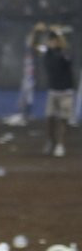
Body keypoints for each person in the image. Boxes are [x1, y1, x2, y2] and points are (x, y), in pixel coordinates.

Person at [30, 22, 75, 157]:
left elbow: (66, 51)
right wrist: (36, 32)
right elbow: (34, 46)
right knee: (49, 118)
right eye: (51, 40)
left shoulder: (63, 53)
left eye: (54, 40)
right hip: (53, 91)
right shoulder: (47, 52)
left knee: (63, 119)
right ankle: (51, 141)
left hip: (66, 91)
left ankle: (60, 145)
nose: (52, 42)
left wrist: (59, 33)